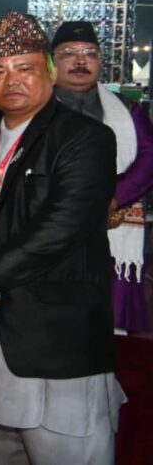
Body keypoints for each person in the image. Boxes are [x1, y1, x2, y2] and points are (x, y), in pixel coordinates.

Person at [0, 11, 126, 465]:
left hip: (50, 326)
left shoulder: (86, 137)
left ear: (50, 73)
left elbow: (63, 226)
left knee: (63, 445)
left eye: (25, 68)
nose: (11, 81)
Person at [51, 20, 153, 334]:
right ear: (52, 62)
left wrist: (114, 197)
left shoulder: (127, 110)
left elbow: (149, 157)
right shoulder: (33, 108)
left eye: (90, 53)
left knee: (106, 327)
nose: (80, 61)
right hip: (49, 226)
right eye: (70, 53)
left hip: (112, 223)